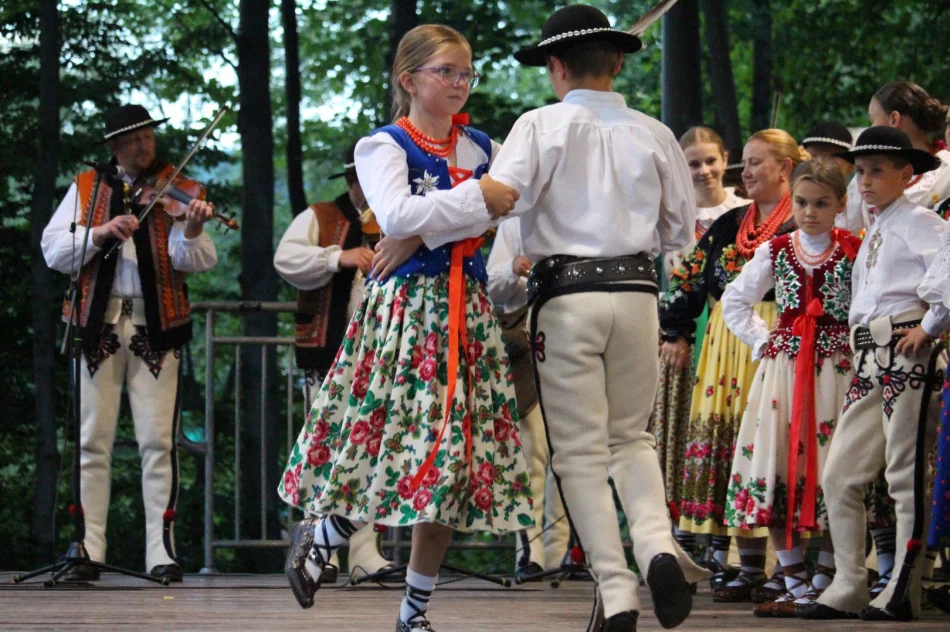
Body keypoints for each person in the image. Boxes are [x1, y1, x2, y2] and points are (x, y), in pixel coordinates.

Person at [279, 24, 533, 632]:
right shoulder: (383, 146)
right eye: (446, 71)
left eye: (466, 72)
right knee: (394, 441)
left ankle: (412, 609)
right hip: (408, 314)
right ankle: (332, 527)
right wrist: (468, 202)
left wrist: (425, 228)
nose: (459, 83)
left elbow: (505, 207)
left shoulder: (479, 147)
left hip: (465, 313)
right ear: (409, 79)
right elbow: (394, 212)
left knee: (450, 468)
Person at [487, 5, 709, 629]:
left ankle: (616, 590)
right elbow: (677, 230)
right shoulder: (655, 132)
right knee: (631, 439)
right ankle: (659, 547)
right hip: (638, 295)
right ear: (616, 62)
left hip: (565, 300)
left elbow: (503, 206)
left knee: (580, 453)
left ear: (555, 66)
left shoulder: (536, 127)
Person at [40, 104, 218, 582]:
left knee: (158, 443)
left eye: (148, 137)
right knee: (91, 441)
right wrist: (101, 232)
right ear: (115, 146)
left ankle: (161, 553)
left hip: (154, 326)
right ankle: (87, 548)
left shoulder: (178, 190)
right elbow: (54, 250)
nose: (144, 146)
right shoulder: (87, 187)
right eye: (134, 139)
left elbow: (195, 260)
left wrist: (193, 226)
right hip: (96, 325)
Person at [799, 126, 948, 621]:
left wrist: (928, 327)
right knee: (839, 473)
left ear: (907, 174)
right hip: (869, 358)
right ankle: (849, 582)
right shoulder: (879, 227)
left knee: (905, 473)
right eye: (859, 171)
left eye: (877, 171)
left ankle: (906, 585)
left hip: (906, 353)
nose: (864, 181)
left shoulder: (923, 221)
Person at [661, 129, 804, 603]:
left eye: (757, 162)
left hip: (777, 339)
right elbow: (689, 273)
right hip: (725, 341)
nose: (746, 171)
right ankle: (742, 564)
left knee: (771, 444)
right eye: (743, 162)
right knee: (727, 442)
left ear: (785, 169)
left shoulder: (802, 223)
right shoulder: (731, 223)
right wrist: (676, 329)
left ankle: (781, 565)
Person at [720, 158, 862, 616]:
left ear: (841, 204)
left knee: (830, 468)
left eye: (822, 203)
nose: (810, 212)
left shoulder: (855, 251)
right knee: (778, 461)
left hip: (835, 372)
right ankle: (793, 574)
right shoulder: (776, 250)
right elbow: (735, 300)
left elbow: (868, 305)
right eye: (801, 202)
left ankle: (824, 575)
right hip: (784, 370)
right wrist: (766, 342)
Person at [273, 142, 390, 581]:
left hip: (379, 359)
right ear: (351, 181)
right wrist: (336, 257)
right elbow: (285, 259)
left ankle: (364, 552)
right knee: (326, 449)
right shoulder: (321, 216)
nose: (371, 187)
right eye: (363, 179)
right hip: (329, 354)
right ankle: (318, 552)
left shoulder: (396, 217)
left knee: (374, 453)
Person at [653, 126, 747, 571]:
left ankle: (726, 536)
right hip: (686, 335)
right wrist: (674, 331)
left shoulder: (743, 213)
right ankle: (683, 533)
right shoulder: (671, 215)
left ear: (725, 159)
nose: (704, 170)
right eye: (693, 163)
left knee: (728, 427)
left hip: (732, 335)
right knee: (681, 431)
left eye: (711, 160)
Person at [486, 217, 570, 580]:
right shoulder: (513, 226)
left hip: (572, 340)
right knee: (532, 453)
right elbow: (491, 287)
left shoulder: (576, 212)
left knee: (570, 456)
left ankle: (561, 552)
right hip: (529, 349)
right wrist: (512, 267)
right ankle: (531, 552)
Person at [838, 81, 950, 233]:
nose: (871, 127)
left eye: (872, 120)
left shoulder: (946, 171)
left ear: (894, 120)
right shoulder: (866, 170)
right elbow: (845, 232)